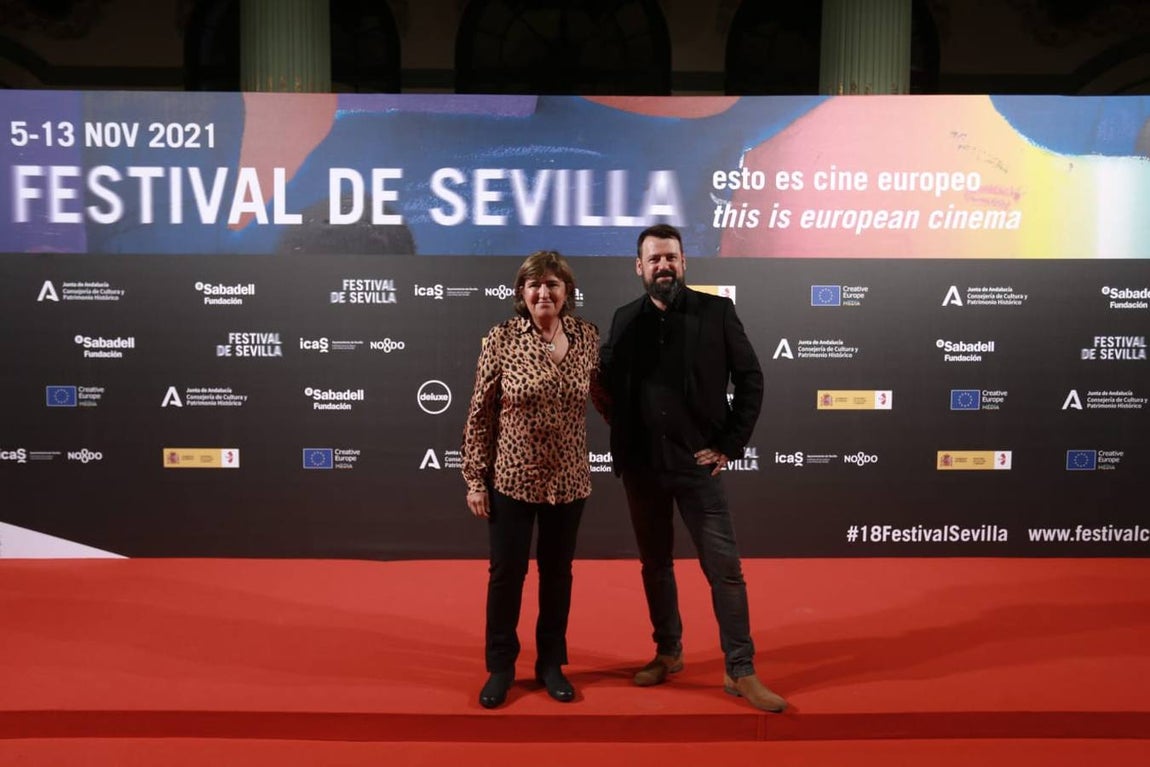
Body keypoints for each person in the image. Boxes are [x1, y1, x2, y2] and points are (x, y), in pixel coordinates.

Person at [596, 223, 787, 713]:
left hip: (697, 466)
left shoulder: (716, 312)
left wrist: (729, 444)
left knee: (724, 570)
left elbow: (751, 379)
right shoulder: (623, 319)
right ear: (639, 268)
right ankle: (668, 652)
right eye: (654, 259)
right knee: (655, 565)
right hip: (642, 468)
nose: (664, 266)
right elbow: (607, 385)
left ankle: (739, 670)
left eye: (671, 258)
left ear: (684, 264)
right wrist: (623, 430)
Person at [461, 250, 600, 709]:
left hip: (570, 481)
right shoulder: (502, 338)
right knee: (507, 576)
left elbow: (606, 400)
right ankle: (501, 667)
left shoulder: (586, 338)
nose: (544, 292)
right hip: (512, 480)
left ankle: (551, 664)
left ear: (566, 293)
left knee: (558, 575)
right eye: (535, 285)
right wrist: (475, 480)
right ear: (522, 293)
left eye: (553, 285)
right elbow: (480, 415)